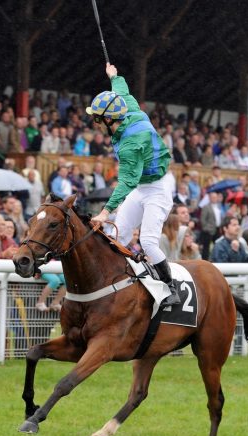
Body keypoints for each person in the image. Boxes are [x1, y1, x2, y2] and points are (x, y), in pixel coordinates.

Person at [88, 63, 179, 306]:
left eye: (97, 119)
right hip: (142, 186)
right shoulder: (127, 107)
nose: (95, 123)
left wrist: (106, 211)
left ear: (108, 118)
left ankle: (171, 289)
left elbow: (127, 181)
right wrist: (114, 76)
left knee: (148, 241)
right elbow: (123, 91)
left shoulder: (130, 144)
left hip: (158, 187)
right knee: (117, 234)